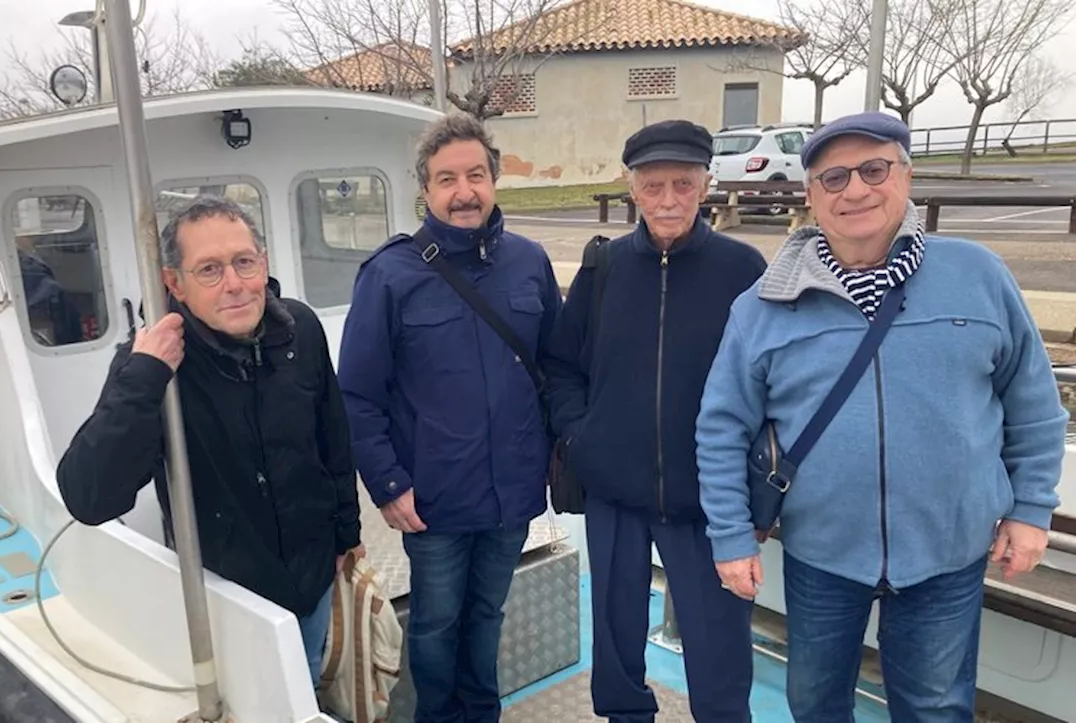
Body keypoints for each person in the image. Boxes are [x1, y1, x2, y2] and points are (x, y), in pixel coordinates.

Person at [697, 111, 1070, 720]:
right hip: (822, 553)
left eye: (874, 169)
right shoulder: (764, 305)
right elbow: (720, 427)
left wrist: (1030, 511)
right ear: (811, 195)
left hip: (949, 551)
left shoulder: (978, 276)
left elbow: (1032, 405)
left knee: (934, 707)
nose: (856, 190)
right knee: (815, 703)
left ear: (906, 175)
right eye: (834, 178)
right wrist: (731, 536)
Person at [55, 195, 364, 684]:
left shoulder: (300, 329)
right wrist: (144, 375)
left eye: (244, 262)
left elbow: (333, 439)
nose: (235, 285)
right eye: (210, 270)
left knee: (305, 685)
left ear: (263, 263)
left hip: (312, 575)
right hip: (227, 594)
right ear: (174, 282)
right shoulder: (154, 366)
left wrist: (347, 534)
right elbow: (89, 497)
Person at [336, 113, 561, 723]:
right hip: (431, 497)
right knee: (436, 624)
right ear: (426, 191)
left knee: (487, 614)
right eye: (447, 179)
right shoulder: (390, 275)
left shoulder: (530, 263)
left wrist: (559, 457)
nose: (464, 192)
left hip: (513, 490)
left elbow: (558, 369)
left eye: (476, 175)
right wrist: (387, 483)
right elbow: (356, 393)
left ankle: (481, 713)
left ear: (494, 179)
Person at [542, 119, 766, 722]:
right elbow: (562, 365)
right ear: (632, 188)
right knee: (615, 646)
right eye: (654, 186)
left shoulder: (743, 271)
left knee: (718, 653)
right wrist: (580, 436)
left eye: (683, 185)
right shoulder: (604, 268)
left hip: (708, 498)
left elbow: (771, 381)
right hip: (615, 489)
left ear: (706, 185)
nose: (668, 200)